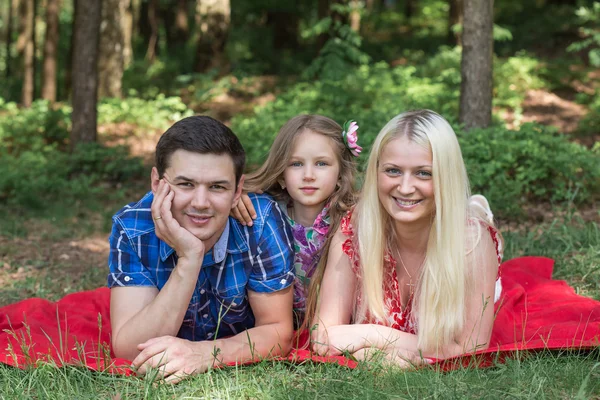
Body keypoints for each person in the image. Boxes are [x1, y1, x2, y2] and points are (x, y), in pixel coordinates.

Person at [107, 115, 295, 383]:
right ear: (157, 183)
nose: (201, 202)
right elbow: (129, 350)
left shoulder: (260, 221)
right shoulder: (132, 227)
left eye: (217, 187)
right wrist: (190, 258)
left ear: (237, 189)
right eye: (186, 184)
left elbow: (277, 331)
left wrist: (204, 354)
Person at [307, 109, 503, 364]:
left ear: (446, 177)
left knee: (473, 228)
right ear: (376, 171)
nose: (406, 187)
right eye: (393, 171)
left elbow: (471, 348)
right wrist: (388, 353)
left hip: (457, 234)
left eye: (423, 173)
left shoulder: (474, 243)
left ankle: (476, 208)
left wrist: (370, 336)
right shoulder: (354, 228)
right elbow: (324, 336)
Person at [232, 115, 360, 326]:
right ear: (281, 175)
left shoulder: (352, 220)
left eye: (321, 163)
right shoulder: (264, 217)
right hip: (275, 324)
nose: (308, 175)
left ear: (340, 174)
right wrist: (234, 199)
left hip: (337, 325)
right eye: (296, 164)